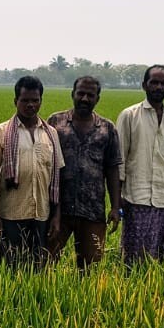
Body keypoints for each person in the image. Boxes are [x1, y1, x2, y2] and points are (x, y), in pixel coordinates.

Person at [116, 64, 164, 266]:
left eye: (163, 83)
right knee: (133, 259)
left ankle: (155, 295)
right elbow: (119, 159)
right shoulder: (129, 115)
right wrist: (118, 199)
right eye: (154, 82)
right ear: (144, 85)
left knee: (160, 260)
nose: (158, 87)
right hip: (136, 198)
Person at [47, 75, 122, 269]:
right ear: (73, 94)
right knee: (46, 263)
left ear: (98, 98)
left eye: (90, 95)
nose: (85, 99)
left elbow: (113, 169)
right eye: (81, 93)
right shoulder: (55, 122)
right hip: (57, 210)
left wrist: (115, 206)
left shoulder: (107, 128)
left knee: (91, 268)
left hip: (92, 210)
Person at [0, 76, 64, 267]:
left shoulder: (51, 134)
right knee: (10, 270)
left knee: (38, 270)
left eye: (35, 100)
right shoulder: (1, 132)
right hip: (10, 216)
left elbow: (57, 177)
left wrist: (56, 217)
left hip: (42, 216)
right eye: (25, 100)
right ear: (16, 101)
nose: (30, 105)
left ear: (41, 101)